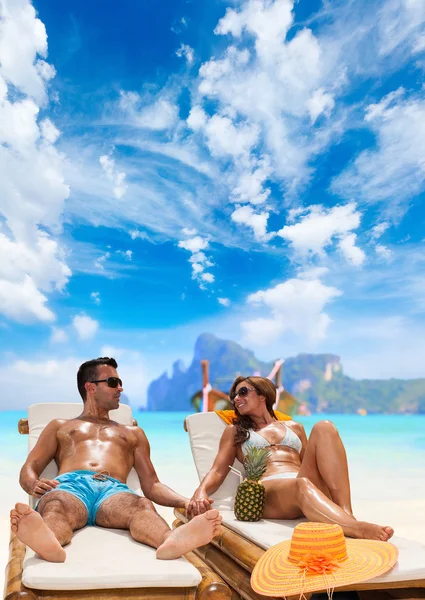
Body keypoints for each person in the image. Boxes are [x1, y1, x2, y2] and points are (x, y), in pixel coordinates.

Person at [10, 357, 222, 562]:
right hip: (71, 487)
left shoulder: (133, 433)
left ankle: (170, 541)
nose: (120, 388)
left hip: (113, 491)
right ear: (90, 387)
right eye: (113, 382)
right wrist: (33, 484)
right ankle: (49, 543)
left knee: (141, 506)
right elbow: (30, 466)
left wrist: (186, 501)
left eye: (120, 383)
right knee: (55, 506)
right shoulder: (60, 426)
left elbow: (152, 485)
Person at [187, 376, 393, 542]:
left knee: (325, 426)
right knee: (300, 484)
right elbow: (218, 470)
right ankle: (356, 529)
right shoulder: (235, 431)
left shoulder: (295, 427)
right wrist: (201, 491)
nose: (236, 399)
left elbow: (313, 464)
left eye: (242, 392)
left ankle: (347, 513)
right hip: (268, 491)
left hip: (301, 481)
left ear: (262, 395)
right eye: (234, 396)